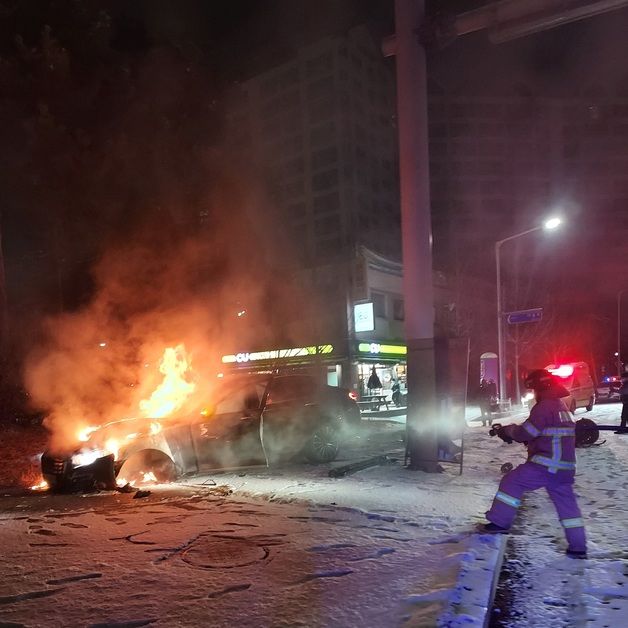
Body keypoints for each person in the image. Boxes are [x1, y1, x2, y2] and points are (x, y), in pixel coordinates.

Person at [480, 369, 587, 559]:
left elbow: (527, 432)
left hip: (546, 465)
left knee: (512, 482)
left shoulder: (545, 406)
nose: (534, 393)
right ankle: (578, 548)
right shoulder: (561, 406)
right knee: (568, 508)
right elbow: (547, 434)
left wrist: (509, 431)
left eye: (534, 389)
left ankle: (498, 523)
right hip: (564, 468)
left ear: (541, 387)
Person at [616, 370, 628, 434]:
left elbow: (623, 391)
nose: (621, 379)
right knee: (625, 416)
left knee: (624, 416)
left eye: (623, 378)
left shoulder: (626, 384)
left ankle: (622, 429)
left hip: (627, 403)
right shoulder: (624, 384)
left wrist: (615, 390)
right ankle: (623, 428)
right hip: (626, 402)